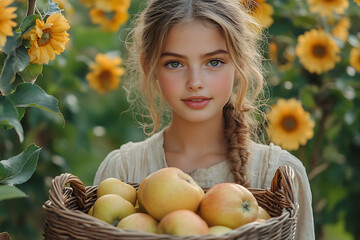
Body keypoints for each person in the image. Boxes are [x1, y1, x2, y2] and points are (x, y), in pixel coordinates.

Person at [94, 0, 315, 239]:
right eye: (175, 63)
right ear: (149, 66)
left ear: (240, 62)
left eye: (214, 62)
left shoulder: (278, 175)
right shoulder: (122, 171)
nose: (195, 81)